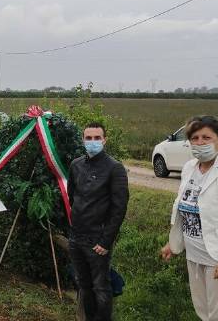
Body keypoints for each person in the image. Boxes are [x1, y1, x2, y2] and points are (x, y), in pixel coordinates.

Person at [161, 116, 218, 321]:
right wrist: (174, 243)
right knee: (204, 312)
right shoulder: (190, 168)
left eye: (206, 137)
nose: (200, 143)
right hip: (196, 255)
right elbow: (186, 207)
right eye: (195, 138)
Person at [68, 122, 129, 321]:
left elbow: (119, 208)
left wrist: (106, 240)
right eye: (88, 138)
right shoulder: (76, 165)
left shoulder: (114, 168)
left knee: (101, 286)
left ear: (104, 140)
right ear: (83, 140)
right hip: (76, 237)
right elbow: (71, 196)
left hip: (98, 240)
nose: (92, 142)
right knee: (83, 284)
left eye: (97, 138)